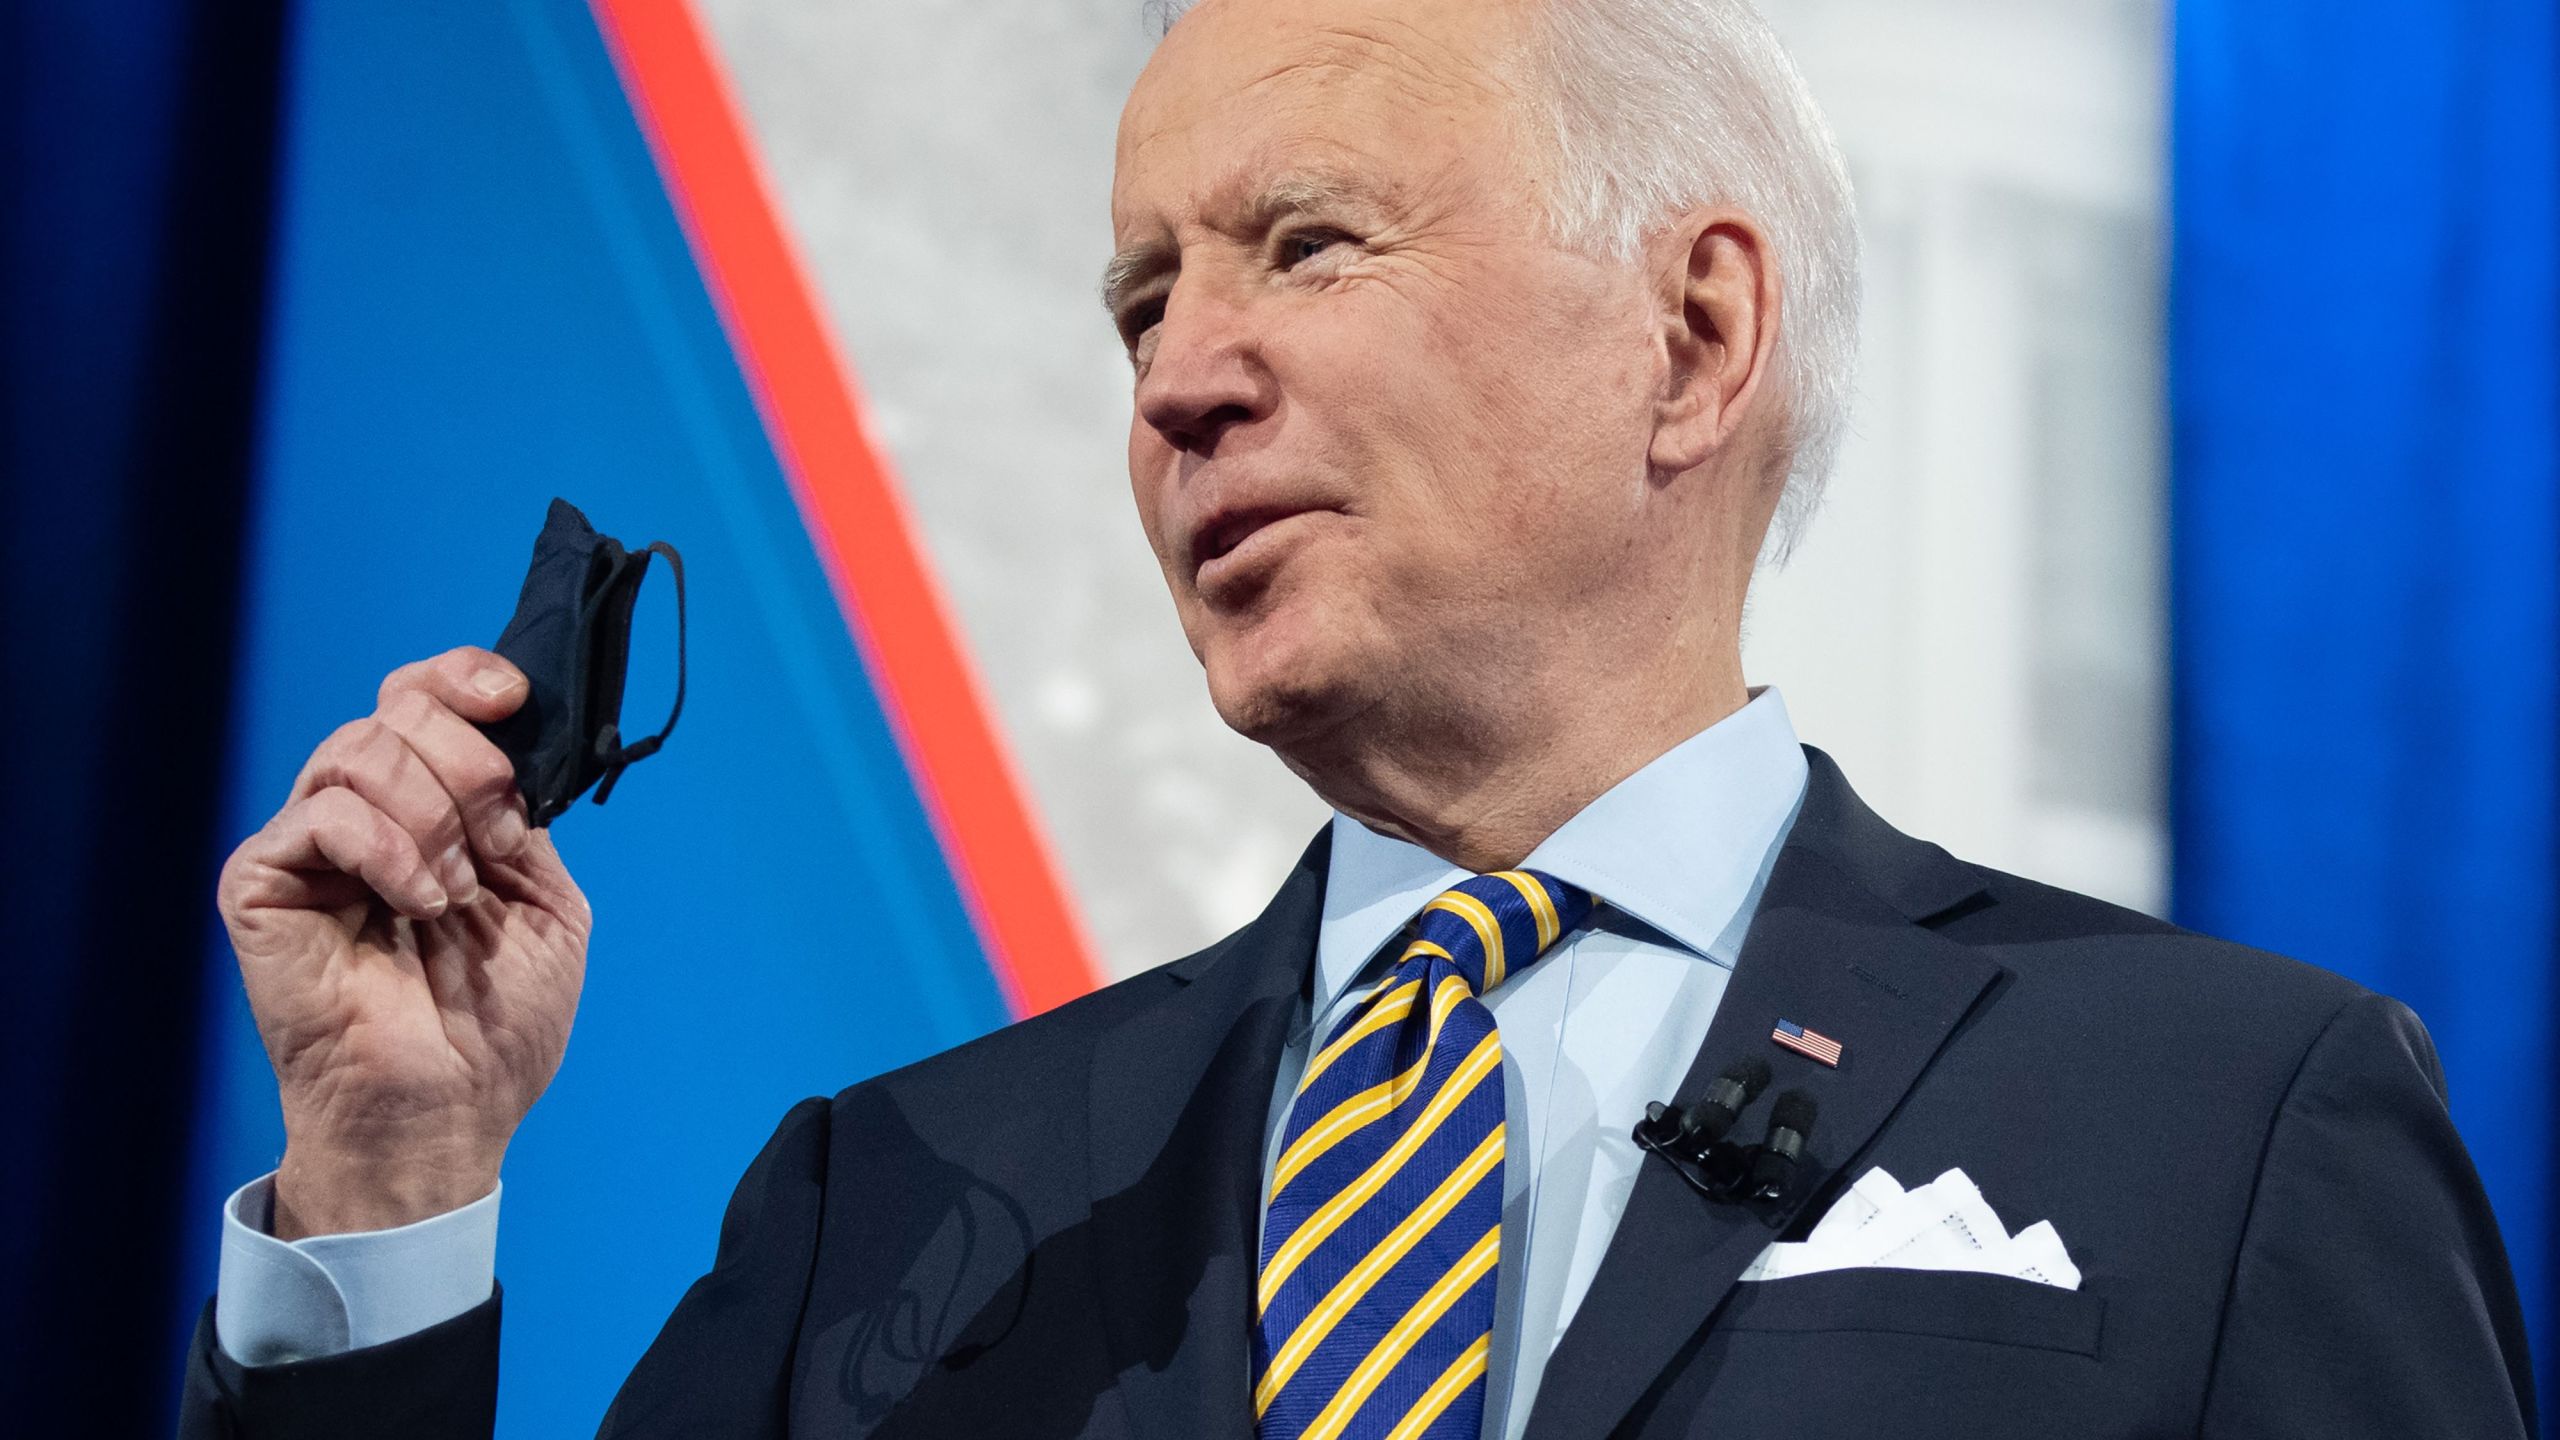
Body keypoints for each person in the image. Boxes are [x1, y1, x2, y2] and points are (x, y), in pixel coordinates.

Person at [178, 0, 2536, 1435]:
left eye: (1305, 246)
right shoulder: (893, 1204)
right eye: (1139, 306)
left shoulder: (2220, 1120)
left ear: (1692, 339)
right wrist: (392, 1188)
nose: (1186, 376)